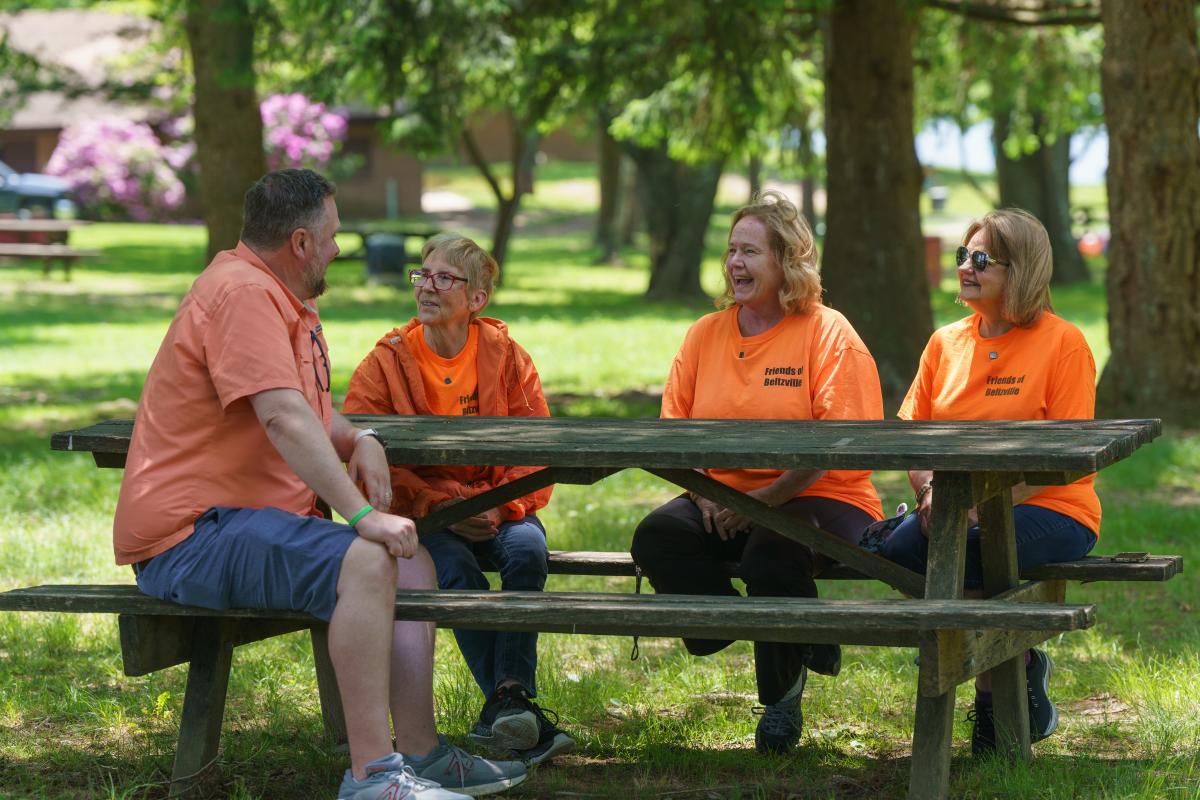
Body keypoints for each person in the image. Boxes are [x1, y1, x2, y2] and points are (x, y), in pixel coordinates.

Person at [112, 170, 526, 800]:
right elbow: (280, 417)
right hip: (191, 535)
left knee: (410, 563)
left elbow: (308, 410)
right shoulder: (242, 294)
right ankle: (373, 778)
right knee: (367, 555)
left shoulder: (279, 298)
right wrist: (363, 516)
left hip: (242, 524)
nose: (339, 248)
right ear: (301, 243)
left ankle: (420, 753)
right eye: (333, 236)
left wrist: (361, 439)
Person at [629, 191, 886, 756]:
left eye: (750, 252)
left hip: (823, 495)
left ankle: (780, 699)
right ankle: (779, 627)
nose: (735, 264)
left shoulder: (827, 331)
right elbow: (677, 435)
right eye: (731, 251)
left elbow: (836, 445)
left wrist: (761, 500)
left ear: (787, 261)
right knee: (656, 536)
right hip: (720, 497)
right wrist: (705, 498)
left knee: (771, 551)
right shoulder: (705, 333)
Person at [344, 233, 574, 766]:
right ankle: (515, 707)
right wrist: (441, 506)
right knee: (453, 571)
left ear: (477, 299)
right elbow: (366, 456)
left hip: (503, 508)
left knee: (527, 552)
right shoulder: (386, 362)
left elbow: (537, 449)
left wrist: (502, 505)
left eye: (443, 277)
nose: (427, 286)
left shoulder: (508, 357)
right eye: (422, 275)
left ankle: (507, 699)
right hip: (431, 519)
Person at [881, 208, 1101, 756]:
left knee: (968, 550)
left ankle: (990, 709)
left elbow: (1069, 458)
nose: (965, 267)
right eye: (962, 255)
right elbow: (915, 439)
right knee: (899, 548)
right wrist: (932, 494)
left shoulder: (1064, 344)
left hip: (1054, 508)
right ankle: (1021, 663)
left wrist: (977, 505)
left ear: (1021, 270)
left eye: (981, 259)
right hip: (954, 509)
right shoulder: (944, 343)